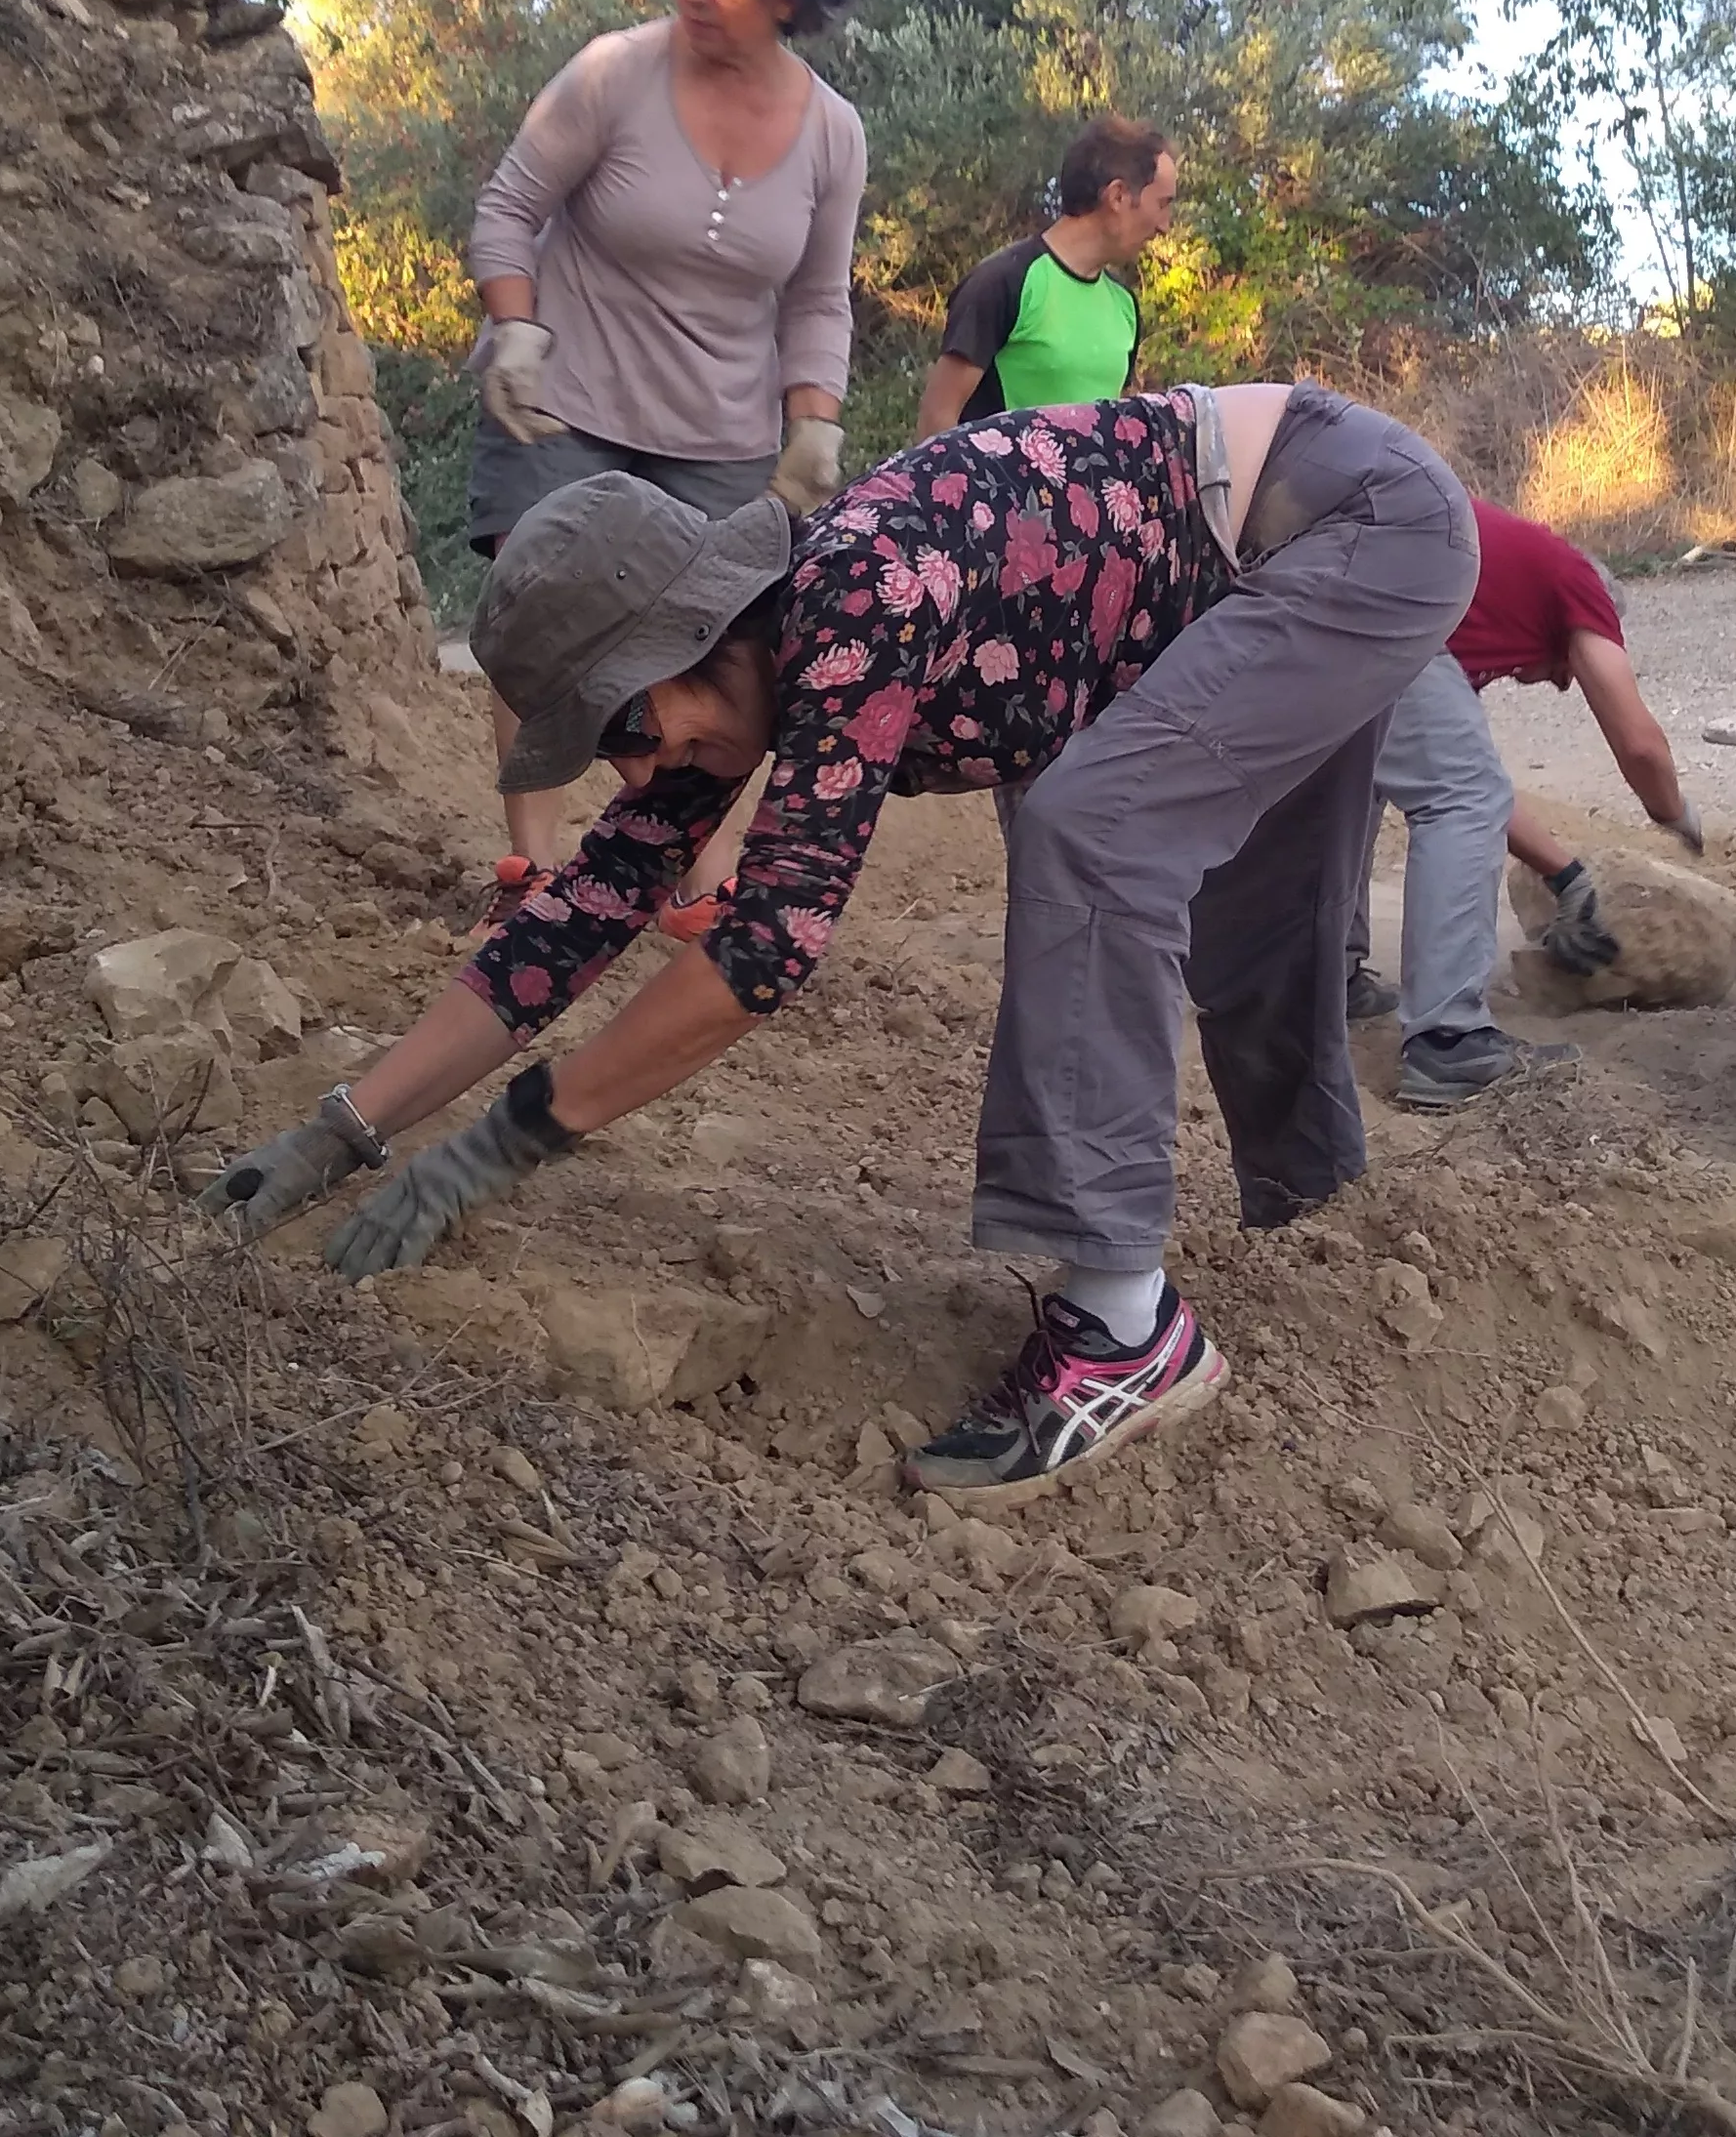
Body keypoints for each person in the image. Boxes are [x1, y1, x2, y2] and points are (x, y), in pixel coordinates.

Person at [203, 386, 1476, 1499]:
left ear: (697, 635)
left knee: (1093, 831)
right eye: (608, 747)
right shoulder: (752, 671)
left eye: (628, 723)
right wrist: (345, 1130)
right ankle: (1307, 1193)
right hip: (1266, 547)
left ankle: (1126, 1333)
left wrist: (489, 1154)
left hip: (1352, 522)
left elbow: (767, 951)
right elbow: (586, 907)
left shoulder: (857, 599)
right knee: (1139, 852)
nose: (637, 765)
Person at [462, 0, 870, 905]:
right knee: (542, 607)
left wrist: (811, 427)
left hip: (719, 425)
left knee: (718, 638)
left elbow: (818, 300)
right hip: (566, 396)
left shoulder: (832, 133)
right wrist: (514, 326)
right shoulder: (613, 74)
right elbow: (509, 208)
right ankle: (535, 857)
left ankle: (693, 864)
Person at [1348, 503, 1706, 1108]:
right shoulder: (1578, 580)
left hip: (1341, 595)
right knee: (1458, 794)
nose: (1564, 682)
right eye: (1569, 666)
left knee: (1357, 779)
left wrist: (1565, 876)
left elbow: (1470, 784)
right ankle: (1448, 1044)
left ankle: (1325, 979)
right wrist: (1674, 813)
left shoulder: (1475, 608)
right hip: (1382, 605)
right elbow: (1640, 745)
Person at [914, 118, 1182, 436]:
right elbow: (936, 420)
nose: (1165, 225)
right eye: (1162, 204)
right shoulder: (1003, 283)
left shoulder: (1125, 306)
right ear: (1118, 196)